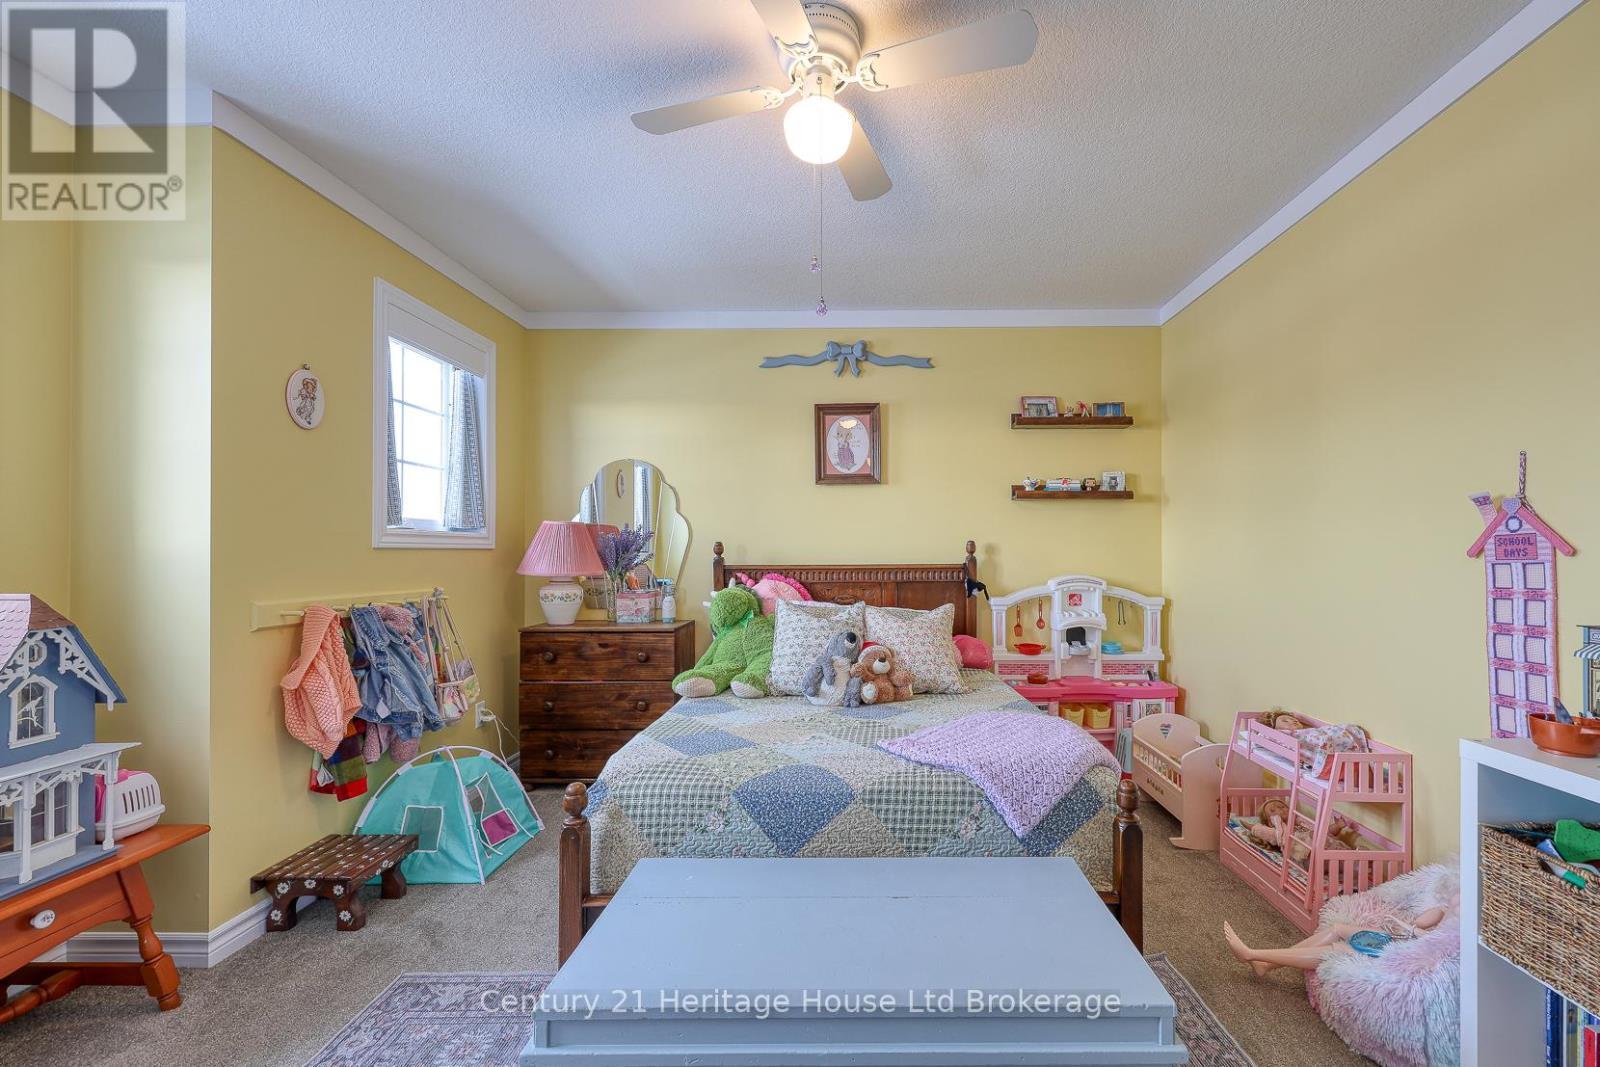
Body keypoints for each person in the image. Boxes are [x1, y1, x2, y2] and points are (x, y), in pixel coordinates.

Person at [1222, 894, 1457, 978]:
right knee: (1338, 929)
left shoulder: (1472, 921)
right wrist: (1441, 911)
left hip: (1412, 953)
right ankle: (1265, 965)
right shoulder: (1461, 896)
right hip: (1405, 938)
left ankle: (1252, 954)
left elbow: (1441, 946)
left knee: (1336, 952)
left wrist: (1420, 931)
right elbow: (1421, 921)